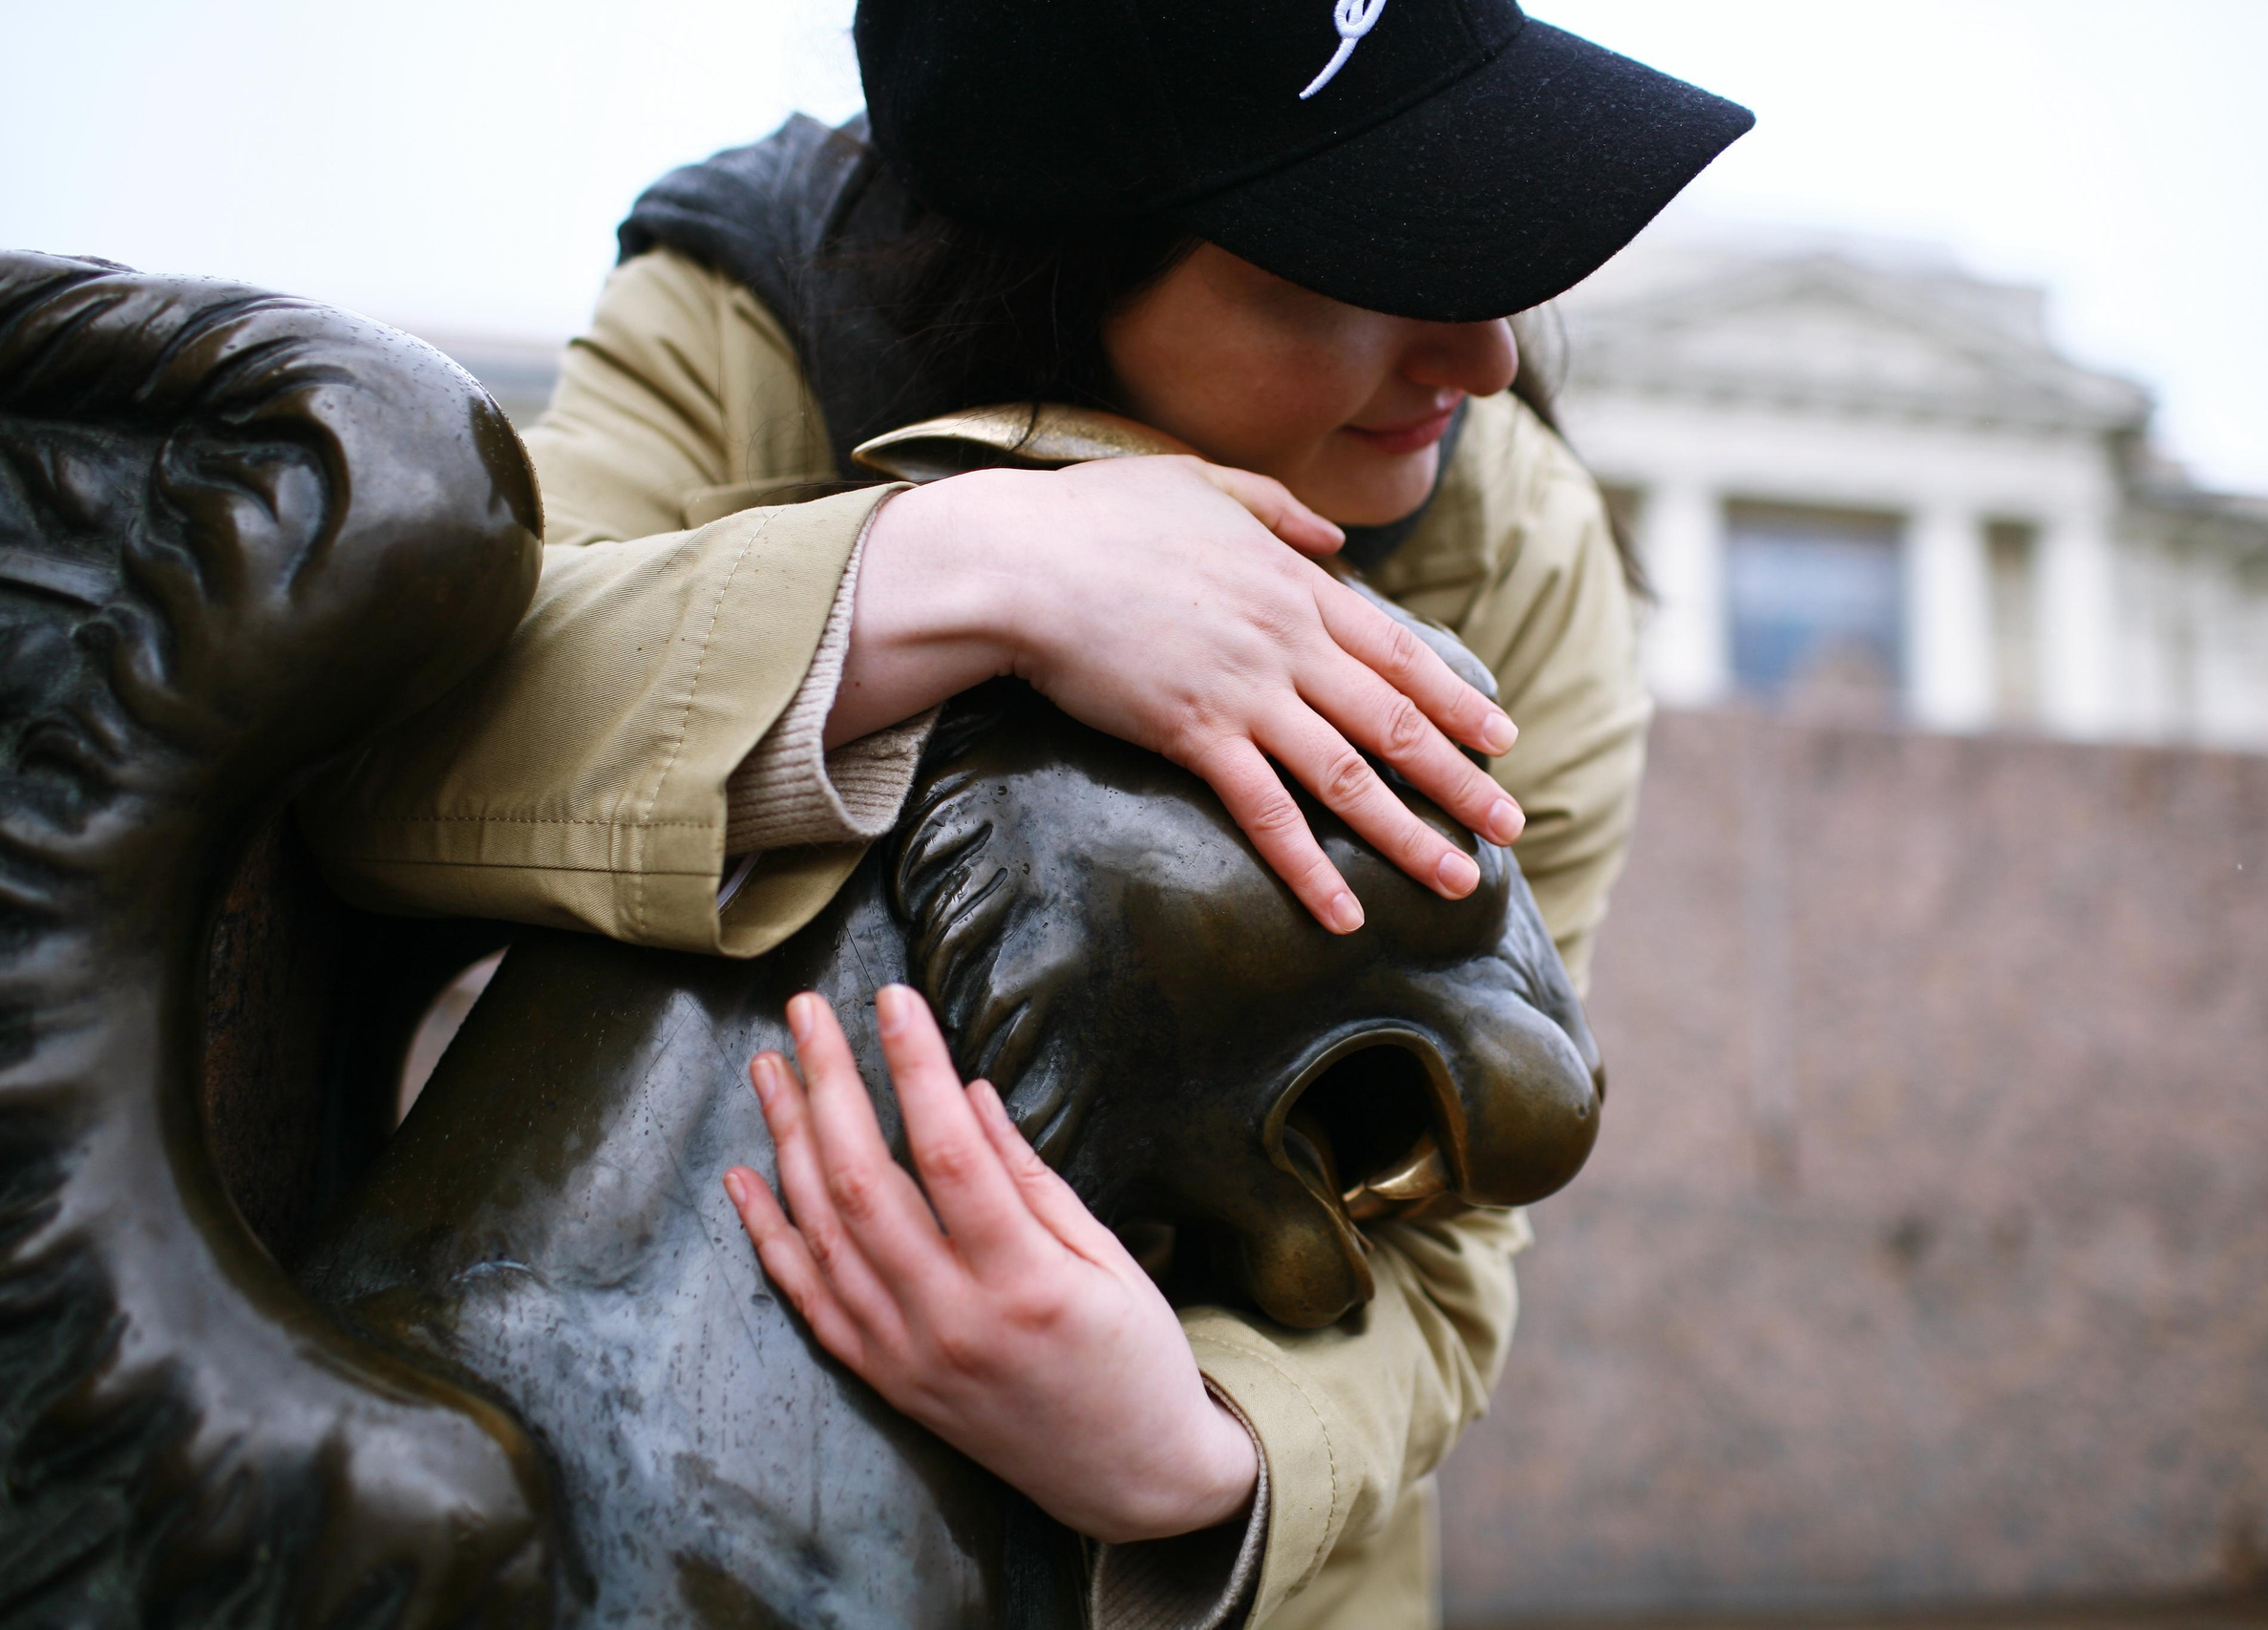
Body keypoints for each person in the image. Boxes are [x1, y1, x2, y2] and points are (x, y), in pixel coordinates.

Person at [299, 3, 1749, 1624]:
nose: (1483, 359)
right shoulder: (744, 315)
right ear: (1058, 257)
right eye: (1352, 265)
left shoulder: (1515, 532)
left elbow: (1459, 1221)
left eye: (1487, 220)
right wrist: (972, 571)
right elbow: (371, 763)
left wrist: (1206, 1455)